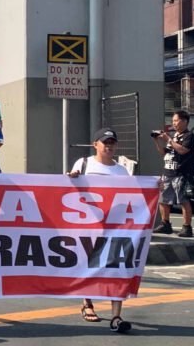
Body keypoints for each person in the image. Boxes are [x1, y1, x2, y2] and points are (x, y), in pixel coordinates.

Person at [69, 128, 132, 333]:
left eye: (112, 142)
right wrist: (72, 178)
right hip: (88, 225)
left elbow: (132, 196)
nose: (109, 145)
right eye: (105, 142)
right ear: (95, 144)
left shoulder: (121, 171)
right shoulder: (84, 164)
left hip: (114, 226)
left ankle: (116, 316)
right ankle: (87, 303)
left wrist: (153, 186)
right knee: (90, 264)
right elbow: (67, 190)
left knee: (117, 267)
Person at [152, 110, 194, 237]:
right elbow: (164, 153)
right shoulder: (174, 136)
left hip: (181, 173)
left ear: (185, 121)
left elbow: (183, 150)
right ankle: (165, 224)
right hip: (168, 172)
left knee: (183, 200)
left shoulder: (189, 136)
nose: (174, 123)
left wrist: (168, 139)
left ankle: (187, 227)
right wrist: (156, 141)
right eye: (173, 121)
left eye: (176, 121)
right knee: (163, 200)